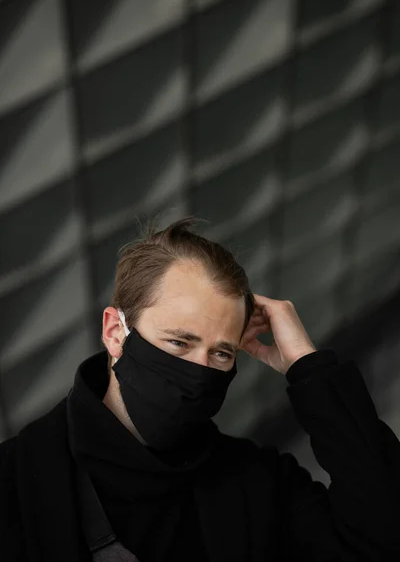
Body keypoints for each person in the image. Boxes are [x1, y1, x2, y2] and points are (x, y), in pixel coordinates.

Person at [1, 216, 399, 562]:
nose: (199, 372)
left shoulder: (258, 484)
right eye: (179, 342)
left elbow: (378, 541)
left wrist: (308, 368)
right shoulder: (16, 480)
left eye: (221, 353)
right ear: (114, 333)